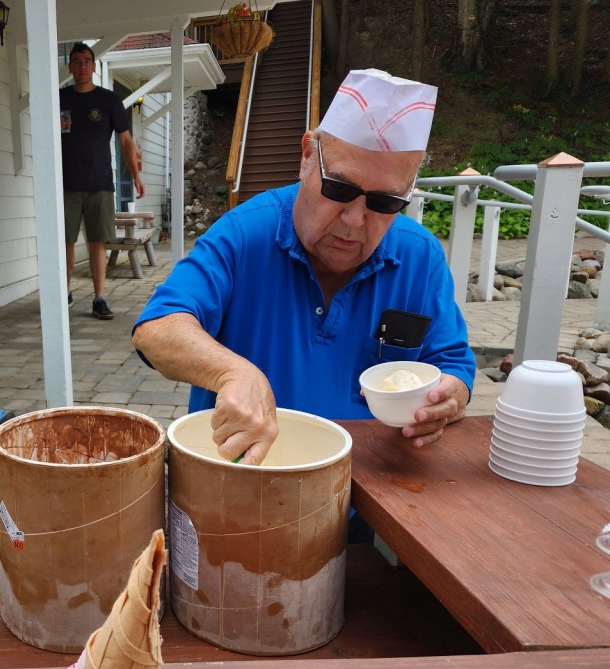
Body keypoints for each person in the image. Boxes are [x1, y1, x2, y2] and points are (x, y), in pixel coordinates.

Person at [133, 69, 476, 466]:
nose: (354, 220)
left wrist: (450, 397)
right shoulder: (245, 234)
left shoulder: (420, 256)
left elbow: (452, 363)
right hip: (250, 478)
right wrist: (232, 372)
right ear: (307, 157)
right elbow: (157, 330)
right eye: (339, 189)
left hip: (374, 483)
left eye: (385, 202)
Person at [60, 42, 145, 320]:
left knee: (97, 243)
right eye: (76, 61)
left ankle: (99, 298)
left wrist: (135, 176)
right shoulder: (59, 99)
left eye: (87, 61)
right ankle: (64, 293)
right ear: (70, 66)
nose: (82, 66)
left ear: (93, 66)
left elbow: (126, 141)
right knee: (65, 242)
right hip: (65, 186)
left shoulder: (109, 100)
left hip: (100, 184)